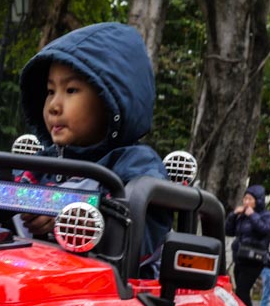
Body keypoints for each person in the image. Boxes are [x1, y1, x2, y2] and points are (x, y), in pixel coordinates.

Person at [16, 22, 170, 267]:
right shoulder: (41, 163)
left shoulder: (136, 166)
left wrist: (77, 223)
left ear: (110, 100)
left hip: (105, 291)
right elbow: (5, 199)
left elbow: (143, 238)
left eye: (71, 90)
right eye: (50, 91)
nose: (54, 106)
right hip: (32, 278)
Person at [225, 185, 270, 306]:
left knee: (242, 290)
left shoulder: (267, 215)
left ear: (258, 201)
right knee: (241, 292)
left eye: (250, 199)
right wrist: (234, 215)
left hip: (254, 260)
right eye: (245, 198)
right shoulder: (242, 215)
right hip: (240, 257)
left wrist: (252, 214)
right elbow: (229, 230)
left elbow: (265, 230)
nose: (246, 201)